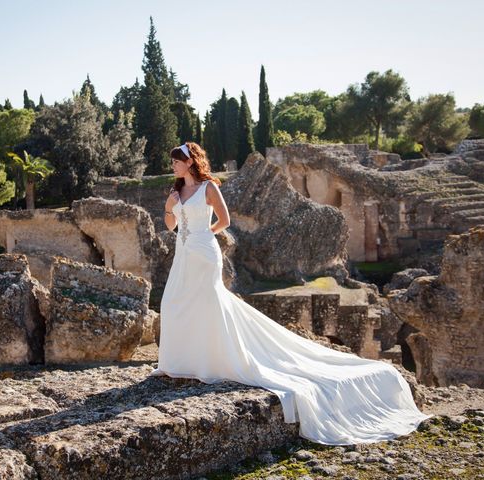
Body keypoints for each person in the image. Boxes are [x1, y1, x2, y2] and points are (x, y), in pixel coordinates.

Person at [148, 141, 432, 445]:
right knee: (175, 302)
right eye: (173, 161)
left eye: (177, 161)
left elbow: (225, 221)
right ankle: (179, 361)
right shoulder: (177, 191)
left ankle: (207, 361)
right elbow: (171, 224)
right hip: (183, 252)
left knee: (206, 302)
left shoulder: (208, 188)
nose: (173, 165)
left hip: (204, 252)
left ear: (190, 162)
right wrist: (170, 206)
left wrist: (204, 235)